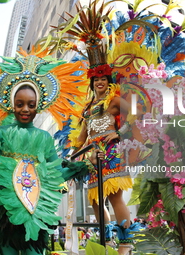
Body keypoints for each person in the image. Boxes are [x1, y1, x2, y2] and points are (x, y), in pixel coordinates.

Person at [0, 52, 103, 255]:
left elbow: (55, 173)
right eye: (20, 104)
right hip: (4, 208)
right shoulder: (1, 133)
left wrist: (87, 165)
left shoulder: (45, 138)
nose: (25, 109)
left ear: (38, 105)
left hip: (35, 209)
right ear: (11, 104)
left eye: (31, 105)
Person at [75, 72, 137, 255]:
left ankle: (125, 243)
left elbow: (136, 112)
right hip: (94, 156)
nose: (99, 82)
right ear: (92, 83)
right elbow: (81, 137)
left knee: (114, 197)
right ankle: (107, 240)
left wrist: (120, 132)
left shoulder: (114, 100)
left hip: (111, 151)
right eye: (96, 80)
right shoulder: (87, 109)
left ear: (108, 83)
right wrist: (73, 156)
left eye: (103, 79)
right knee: (95, 200)